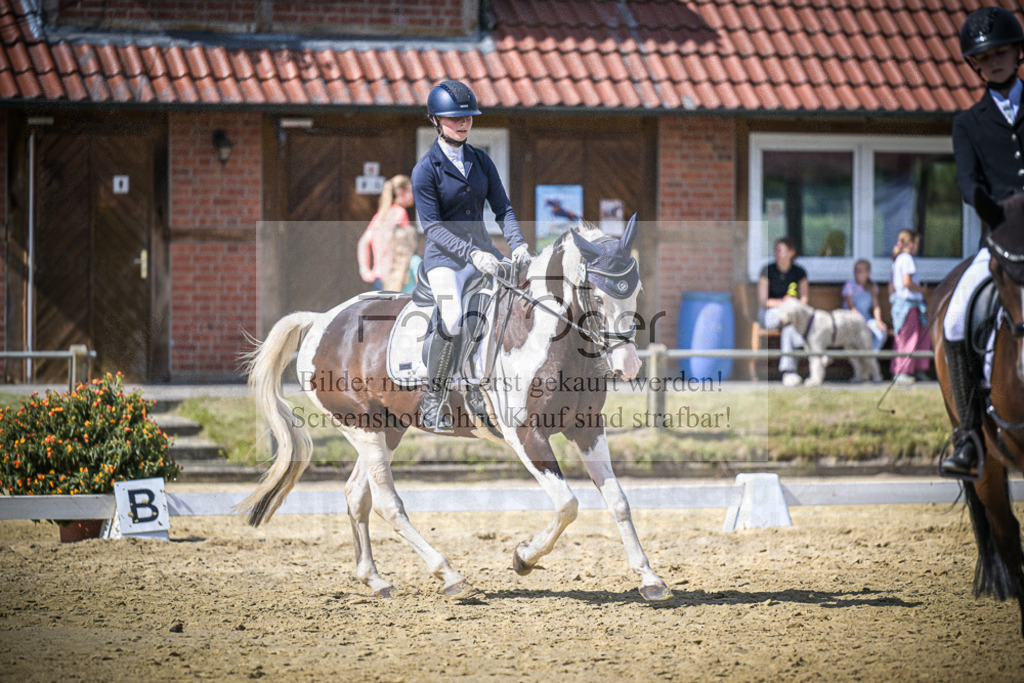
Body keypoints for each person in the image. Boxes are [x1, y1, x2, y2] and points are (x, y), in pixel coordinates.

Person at [411, 80, 532, 430]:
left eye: (468, 118)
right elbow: (432, 227)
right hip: (445, 260)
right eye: (454, 118)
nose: (463, 124)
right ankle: (433, 402)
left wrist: (518, 243)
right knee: (451, 318)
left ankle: (480, 388)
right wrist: (470, 254)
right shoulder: (425, 170)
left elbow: (503, 208)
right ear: (436, 120)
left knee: (512, 304)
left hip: (484, 252)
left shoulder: (481, 160)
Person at [942, 6, 1024, 477]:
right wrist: (990, 208)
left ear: (1017, 53)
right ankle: (968, 436)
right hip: (1000, 240)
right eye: (985, 56)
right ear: (975, 64)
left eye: (1001, 52)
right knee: (956, 318)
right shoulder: (967, 124)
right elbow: (967, 183)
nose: (994, 61)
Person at [757, 237, 809, 387]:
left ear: (791, 252)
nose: (777, 253)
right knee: (790, 321)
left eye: (781, 250)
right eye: (776, 250)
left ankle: (789, 372)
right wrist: (783, 303)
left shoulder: (799, 272)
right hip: (770, 314)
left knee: (789, 327)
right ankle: (801, 344)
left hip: (791, 315)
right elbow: (763, 301)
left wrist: (792, 306)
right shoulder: (767, 271)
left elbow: (804, 299)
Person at [357, 175, 417, 291]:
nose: (414, 195)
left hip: (378, 276)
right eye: (411, 191)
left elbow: (363, 242)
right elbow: (392, 238)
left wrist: (364, 269)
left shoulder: (380, 216)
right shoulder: (400, 213)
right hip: (394, 275)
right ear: (402, 192)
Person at [889, 230, 931, 384]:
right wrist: (922, 290)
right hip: (908, 305)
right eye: (917, 244)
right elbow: (907, 282)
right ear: (912, 244)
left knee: (919, 337)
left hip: (906, 304)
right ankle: (902, 371)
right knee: (909, 338)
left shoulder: (898, 259)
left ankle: (917, 368)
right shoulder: (906, 259)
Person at [842, 259, 887, 352]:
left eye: (859, 271)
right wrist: (863, 324)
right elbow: (852, 308)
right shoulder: (849, 286)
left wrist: (879, 321)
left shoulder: (872, 287)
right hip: (852, 319)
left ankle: (871, 356)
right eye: (855, 271)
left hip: (866, 318)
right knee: (864, 332)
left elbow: (876, 306)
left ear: (868, 273)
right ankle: (864, 360)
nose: (856, 274)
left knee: (881, 331)